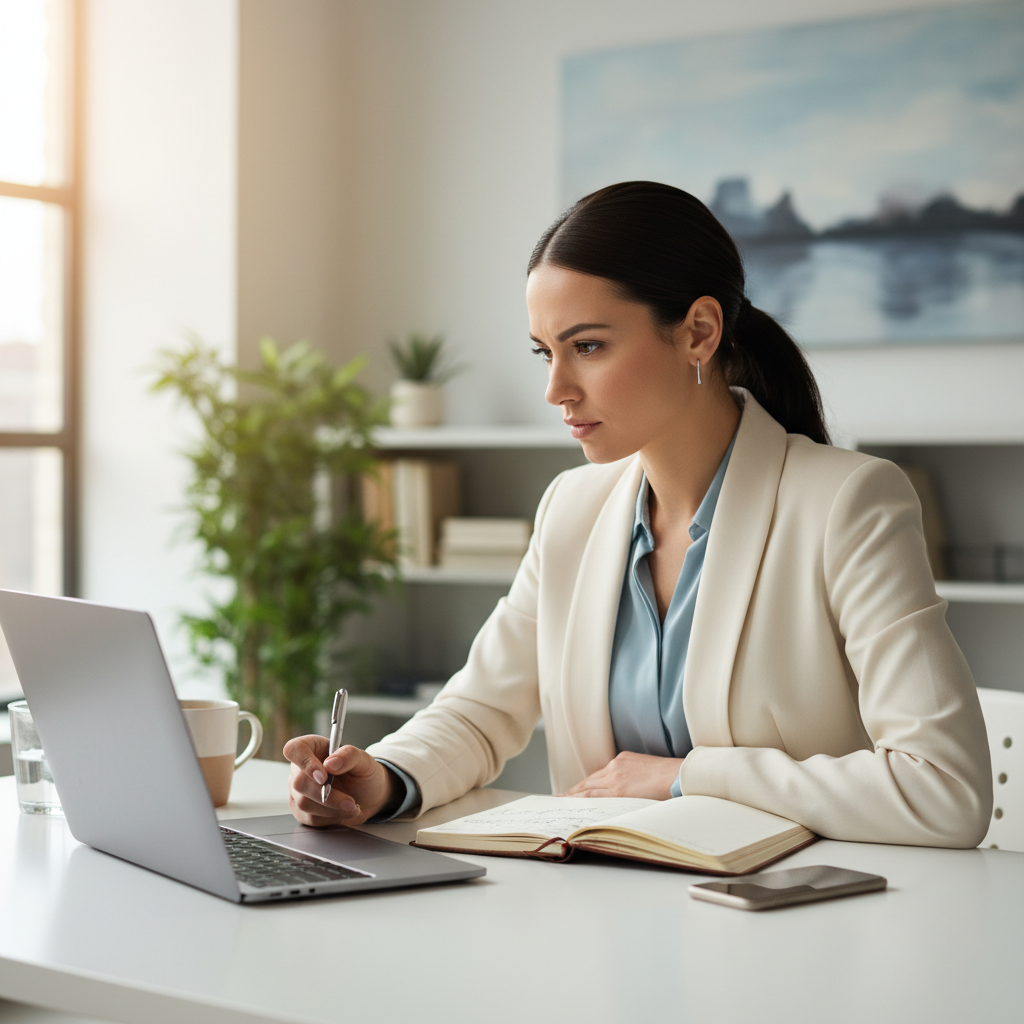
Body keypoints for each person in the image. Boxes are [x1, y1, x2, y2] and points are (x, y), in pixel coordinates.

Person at [285, 181, 992, 847]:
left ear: (698, 333)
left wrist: (688, 775)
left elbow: (945, 789)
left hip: (784, 929)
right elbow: (480, 711)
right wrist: (380, 777)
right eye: (545, 353)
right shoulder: (573, 508)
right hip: (603, 919)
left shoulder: (848, 503)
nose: (556, 389)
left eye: (588, 347)